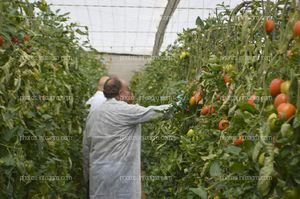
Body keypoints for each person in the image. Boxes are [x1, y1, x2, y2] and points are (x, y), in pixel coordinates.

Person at [82, 77, 171, 199]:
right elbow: (155, 112)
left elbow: (86, 148)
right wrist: (180, 104)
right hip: (121, 177)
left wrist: (88, 177)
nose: (130, 93)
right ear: (121, 93)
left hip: (98, 176)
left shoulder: (93, 114)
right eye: (128, 90)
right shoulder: (125, 110)